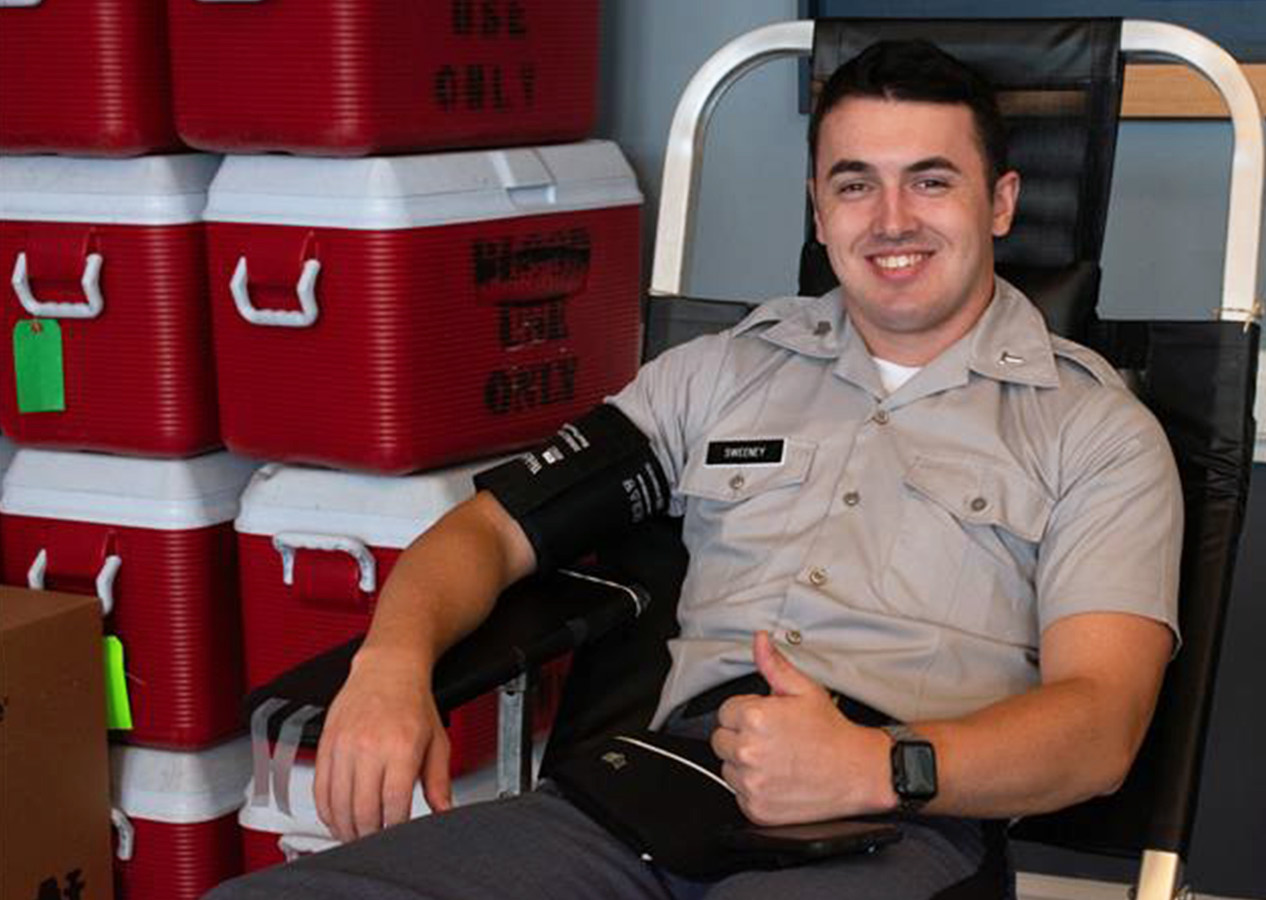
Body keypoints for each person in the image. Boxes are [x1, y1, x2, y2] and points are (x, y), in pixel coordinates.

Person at [207, 37, 1181, 900]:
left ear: (1000, 202)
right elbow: (488, 529)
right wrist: (391, 665)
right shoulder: (718, 374)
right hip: (639, 803)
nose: (891, 219)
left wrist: (879, 767)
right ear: (818, 206)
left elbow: (1100, 728)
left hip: (894, 833)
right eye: (854, 183)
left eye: (931, 180)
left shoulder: (1092, 431)